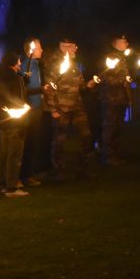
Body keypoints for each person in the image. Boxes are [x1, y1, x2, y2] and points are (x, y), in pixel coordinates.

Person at [45, 39, 98, 180]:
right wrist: (53, 109)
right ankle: (58, 170)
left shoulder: (73, 65)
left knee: (86, 136)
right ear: (64, 47)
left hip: (77, 107)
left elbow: (80, 85)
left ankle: (83, 168)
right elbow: (49, 89)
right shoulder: (55, 65)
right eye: (73, 47)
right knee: (60, 140)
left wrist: (89, 84)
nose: (76, 49)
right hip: (62, 108)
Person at [0, 52, 30, 197]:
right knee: (14, 154)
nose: (20, 64)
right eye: (19, 61)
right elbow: (17, 97)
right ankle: (11, 188)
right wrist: (24, 107)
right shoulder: (15, 78)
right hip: (16, 121)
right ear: (13, 63)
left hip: (3, 120)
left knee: (3, 153)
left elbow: (3, 95)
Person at [99, 35, 134, 165]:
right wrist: (123, 80)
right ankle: (107, 156)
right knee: (110, 127)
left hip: (121, 99)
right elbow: (105, 78)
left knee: (118, 127)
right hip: (111, 99)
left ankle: (115, 154)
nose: (127, 43)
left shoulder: (122, 58)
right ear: (115, 44)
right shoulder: (110, 58)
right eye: (123, 41)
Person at [19, 38, 48, 186]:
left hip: (37, 107)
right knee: (28, 142)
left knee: (33, 142)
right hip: (30, 109)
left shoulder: (36, 65)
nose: (41, 50)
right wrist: (41, 89)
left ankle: (28, 174)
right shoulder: (26, 65)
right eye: (39, 48)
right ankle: (22, 175)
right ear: (30, 50)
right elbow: (23, 89)